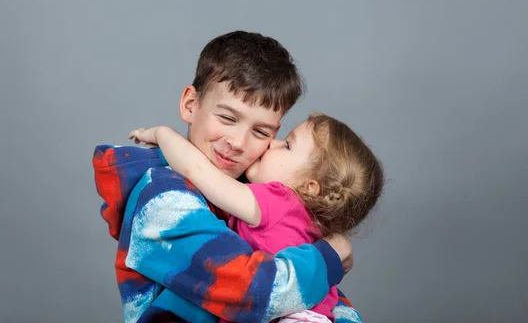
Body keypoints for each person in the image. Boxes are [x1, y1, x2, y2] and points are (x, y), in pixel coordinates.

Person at [93, 31, 363, 322]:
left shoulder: (251, 194)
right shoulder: (163, 201)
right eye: (227, 118)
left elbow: (321, 296)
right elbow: (257, 293)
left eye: (260, 132)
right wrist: (331, 254)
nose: (238, 142)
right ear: (190, 105)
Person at [129, 112, 383, 322]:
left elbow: (198, 171)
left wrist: (162, 134)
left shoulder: (278, 200)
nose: (272, 143)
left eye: (288, 145)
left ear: (309, 187)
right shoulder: (311, 221)